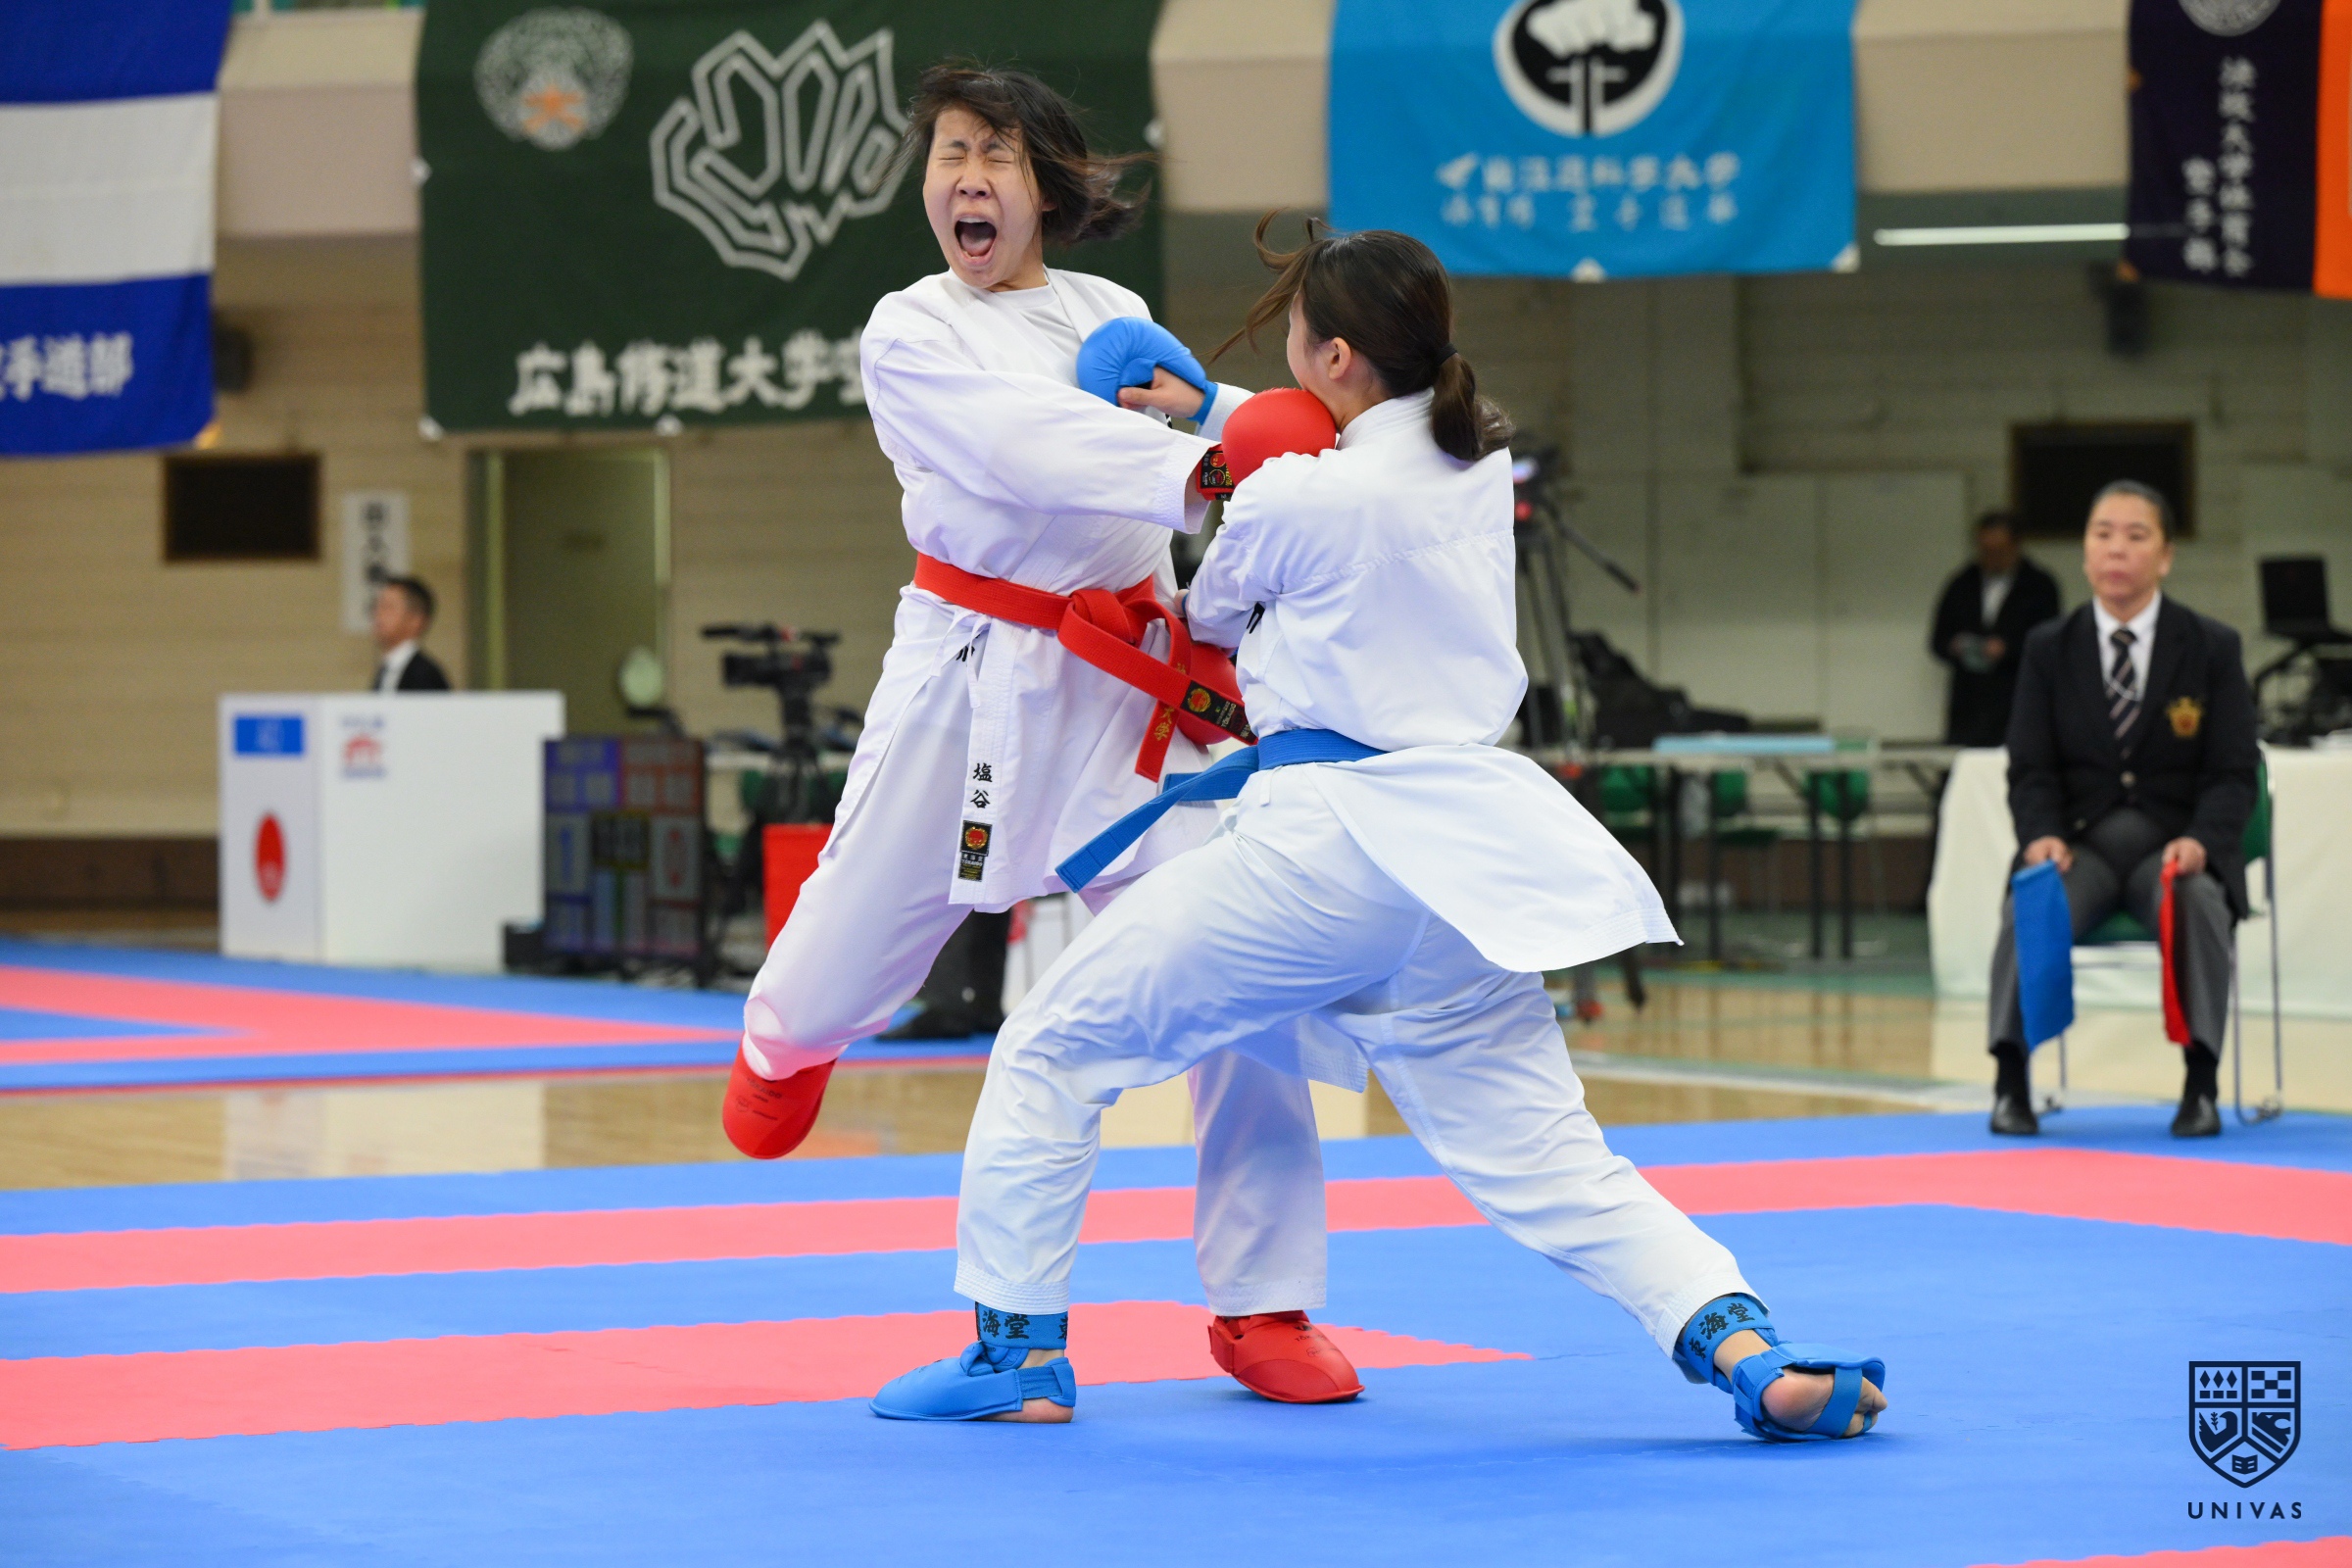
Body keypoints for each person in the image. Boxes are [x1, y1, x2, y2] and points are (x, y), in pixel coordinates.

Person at [871, 220, 1889, 1444]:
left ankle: (1017, 1351)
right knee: (1551, 1156)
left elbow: (1209, 607)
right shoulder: (1479, 463)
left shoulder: (1301, 494)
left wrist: (1213, 437)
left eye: (1300, 338)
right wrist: (1216, 408)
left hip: (1325, 852)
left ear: (1337, 355)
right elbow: (1345, 441)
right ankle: (1747, 1346)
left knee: (1049, 1047)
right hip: (1464, 864)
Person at [720, 66, 1364, 1402]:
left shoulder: (1110, 313)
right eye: (951, 153)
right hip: (968, 678)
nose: (968, 177)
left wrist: (1243, 428)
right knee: (842, 945)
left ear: (1048, 189)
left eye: (998, 156)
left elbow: (1192, 409)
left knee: (1243, 976)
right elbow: (1024, 447)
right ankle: (784, 1041)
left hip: (1130, 697)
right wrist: (1207, 462)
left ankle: (1264, 1302)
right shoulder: (911, 329)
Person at [1986, 480, 2259, 1139]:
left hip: (2172, 850)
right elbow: (2030, 767)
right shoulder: (2049, 648)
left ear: (2164, 556)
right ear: (2085, 554)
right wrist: (2041, 834)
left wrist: (2202, 839)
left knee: (2197, 901)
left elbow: (2233, 772)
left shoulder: (2211, 647)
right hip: (2081, 848)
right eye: (2103, 534)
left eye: (2136, 536)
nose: (2117, 549)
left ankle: (2200, 1085)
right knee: (2033, 899)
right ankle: (2010, 1083)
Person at [1929, 511, 2061, 746]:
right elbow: (1937, 641)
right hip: (1969, 703)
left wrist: (2007, 649)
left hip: (2019, 698)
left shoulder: (2039, 586)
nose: (1991, 558)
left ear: (2016, 546)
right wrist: (1956, 646)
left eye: (1999, 551)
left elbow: (2051, 644)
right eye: (1985, 550)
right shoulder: (1961, 583)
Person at [369, 576, 451, 692]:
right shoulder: (386, 669)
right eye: (376, 606)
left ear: (415, 620)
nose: (378, 614)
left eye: (388, 607)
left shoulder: (426, 676)